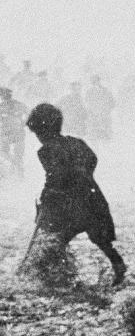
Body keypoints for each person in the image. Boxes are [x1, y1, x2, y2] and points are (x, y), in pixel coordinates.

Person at [24, 103, 126, 285]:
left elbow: (54, 176)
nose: (38, 138)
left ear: (41, 130)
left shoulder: (45, 151)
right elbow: (93, 159)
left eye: (38, 133)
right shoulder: (76, 142)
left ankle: (56, 275)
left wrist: (47, 196)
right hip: (90, 195)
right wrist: (84, 175)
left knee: (58, 240)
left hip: (67, 204)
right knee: (100, 239)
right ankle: (118, 265)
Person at [0, 87, 29, 177]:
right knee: (17, 154)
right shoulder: (20, 104)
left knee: (4, 152)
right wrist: (24, 123)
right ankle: (19, 171)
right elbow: (30, 114)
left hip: (8, 134)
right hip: (16, 132)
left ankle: (16, 167)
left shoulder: (1, 107)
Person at [83, 76, 116, 141]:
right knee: (93, 133)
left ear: (99, 81)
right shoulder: (89, 92)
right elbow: (87, 102)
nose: (95, 83)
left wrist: (107, 110)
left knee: (106, 132)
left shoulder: (106, 91)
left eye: (96, 81)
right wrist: (92, 111)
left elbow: (112, 102)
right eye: (93, 81)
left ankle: (107, 143)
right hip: (93, 115)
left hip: (104, 114)